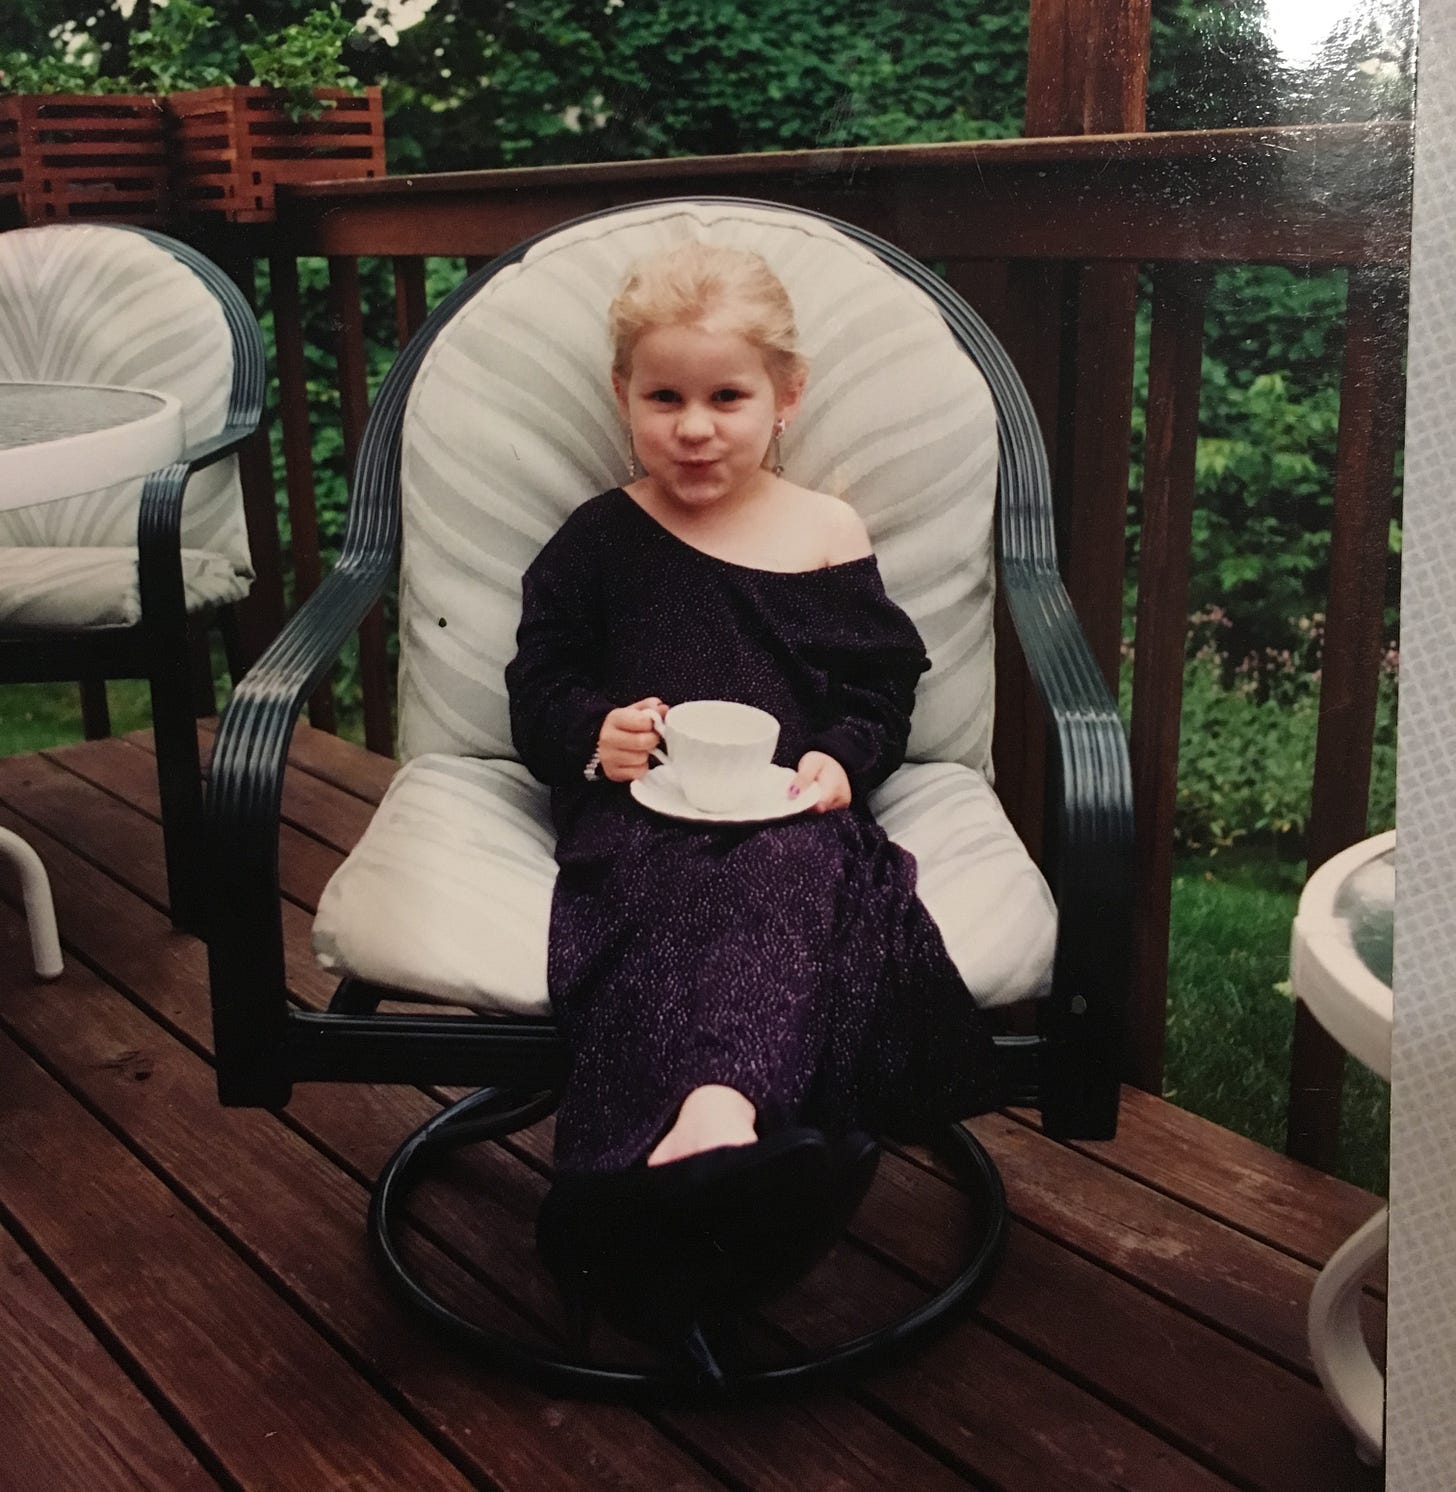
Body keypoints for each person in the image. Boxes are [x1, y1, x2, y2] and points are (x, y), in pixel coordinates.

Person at [504, 241, 996, 1351]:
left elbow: (879, 686)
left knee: (790, 881)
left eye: (726, 397)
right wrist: (594, 735)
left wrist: (843, 758)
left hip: (787, 814)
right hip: (640, 818)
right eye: (663, 398)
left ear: (786, 396)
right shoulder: (598, 542)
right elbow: (539, 688)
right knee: (658, 910)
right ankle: (711, 1150)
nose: (694, 428)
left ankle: (695, 1134)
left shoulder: (824, 532)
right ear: (622, 395)